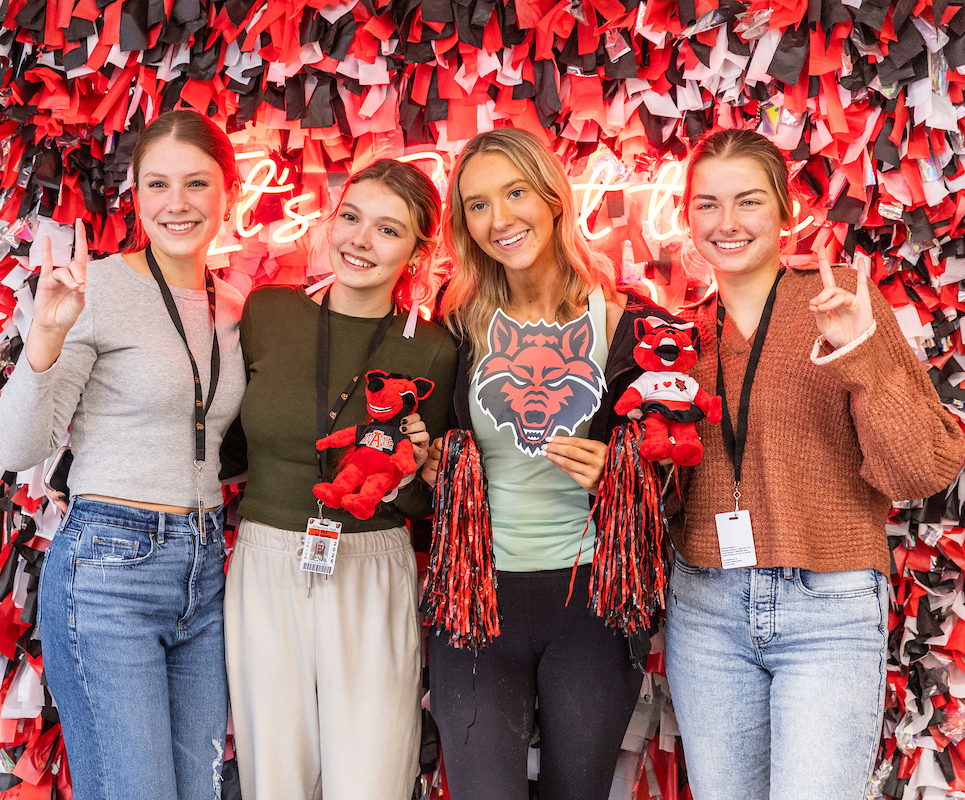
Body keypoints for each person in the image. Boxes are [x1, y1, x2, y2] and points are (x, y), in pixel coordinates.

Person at [665, 128, 965, 800]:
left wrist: (858, 355)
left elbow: (923, 471)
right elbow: (661, 491)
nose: (727, 222)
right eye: (707, 205)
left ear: (785, 210)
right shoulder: (675, 336)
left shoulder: (843, 300)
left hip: (827, 607)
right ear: (687, 217)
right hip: (706, 609)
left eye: (748, 201)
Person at [0, 110, 244, 800]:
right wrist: (43, 333)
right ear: (133, 192)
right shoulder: (94, 289)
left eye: (197, 183)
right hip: (110, 571)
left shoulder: (232, 304)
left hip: (205, 570)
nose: (177, 203)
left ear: (229, 190)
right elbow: (18, 448)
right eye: (157, 184)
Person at [421, 127, 668, 799]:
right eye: (476, 205)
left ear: (555, 198)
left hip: (591, 603)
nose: (498, 219)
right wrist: (425, 458)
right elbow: (423, 450)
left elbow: (680, 476)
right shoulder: (453, 324)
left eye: (515, 193)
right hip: (476, 602)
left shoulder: (631, 328)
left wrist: (622, 477)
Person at [223, 159, 458, 800]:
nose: (360, 240)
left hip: (372, 563)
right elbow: (230, 442)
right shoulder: (268, 314)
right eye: (351, 217)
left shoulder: (435, 348)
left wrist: (423, 469)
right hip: (266, 557)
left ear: (418, 248)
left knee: (372, 776)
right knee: (276, 774)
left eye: (387, 229)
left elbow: (424, 488)